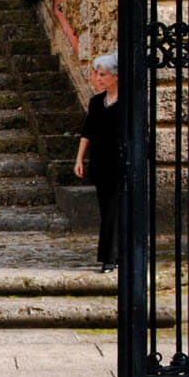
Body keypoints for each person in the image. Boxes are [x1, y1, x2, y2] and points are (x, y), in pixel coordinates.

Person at [74, 52, 121, 273]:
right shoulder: (96, 103)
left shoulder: (126, 104)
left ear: (115, 76)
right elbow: (87, 133)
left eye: (103, 75)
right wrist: (79, 159)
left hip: (120, 163)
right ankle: (114, 255)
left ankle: (109, 258)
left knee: (113, 209)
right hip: (101, 164)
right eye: (98, 74)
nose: (99, 79)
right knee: (106, 209)